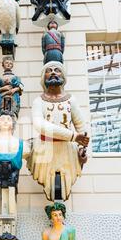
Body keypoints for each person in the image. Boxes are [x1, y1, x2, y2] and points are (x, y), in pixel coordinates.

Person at [27, 60, 89, 201]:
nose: (53, 72)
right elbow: (40, 125)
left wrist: (81, 148)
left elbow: (81, 126)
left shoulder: (71, 100)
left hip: (67, 151)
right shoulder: (39, 101)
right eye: (49, 70)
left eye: (57, 69)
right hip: (45, 149)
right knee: (48, 182)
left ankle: (59, 213)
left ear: (63, 75)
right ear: (44, 76)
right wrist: (73, 136)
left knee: (64, 184)